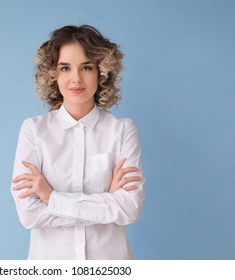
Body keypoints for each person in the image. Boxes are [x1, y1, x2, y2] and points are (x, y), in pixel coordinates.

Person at [10, 25, 145, 260]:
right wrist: (107, 201)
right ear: (53, 74)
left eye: (86, 67)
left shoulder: (123, 130)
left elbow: (129, 208)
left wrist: (52, 198)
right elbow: (29, 215)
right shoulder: (34, 130)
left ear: (101, 72)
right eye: (65, 68)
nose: (76, 78)